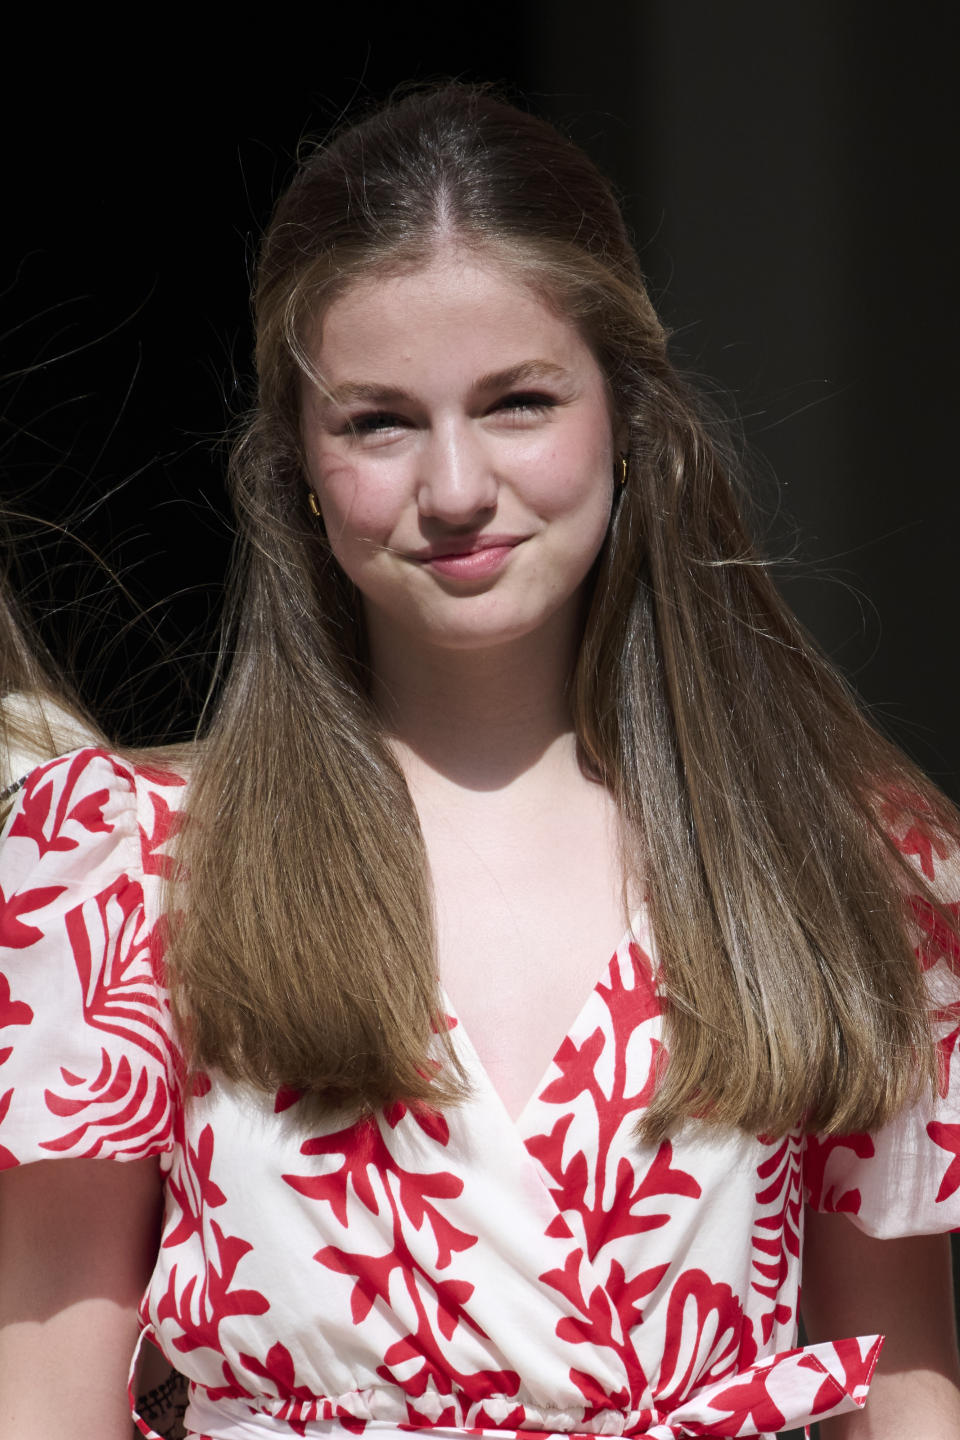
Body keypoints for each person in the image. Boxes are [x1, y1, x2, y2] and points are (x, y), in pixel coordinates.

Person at [1, 83, 959, 1440]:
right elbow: (41, 1403)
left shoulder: (851, 862)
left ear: (627, 415)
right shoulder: (121, 864)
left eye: (517, 402)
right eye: (380, 421)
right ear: (295, 464)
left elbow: (904, 1384)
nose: (455, 488)